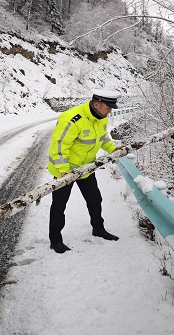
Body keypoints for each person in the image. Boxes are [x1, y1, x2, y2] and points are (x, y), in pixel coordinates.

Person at [47, 89, 125, 254]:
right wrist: (63, 171)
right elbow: (59, 146)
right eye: (108, 108)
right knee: (59, 206)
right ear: (96, 104)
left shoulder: (101, 117)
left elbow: (102, 137)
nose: (110, 111)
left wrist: (113, 149)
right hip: (66, 171)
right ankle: (55, 240)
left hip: (86, 168)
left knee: (95, 199)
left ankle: (98, 229)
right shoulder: (72, 119)